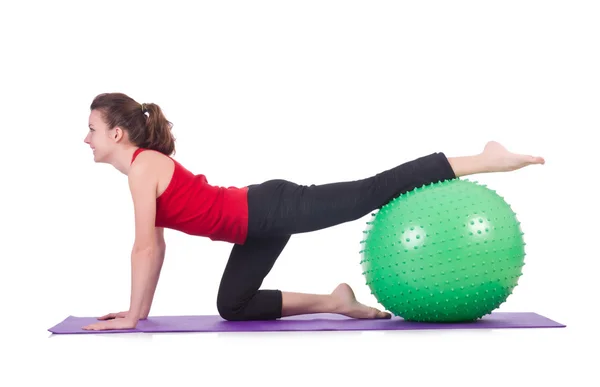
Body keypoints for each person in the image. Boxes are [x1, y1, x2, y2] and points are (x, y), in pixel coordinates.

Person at [81, 92, 545, 331]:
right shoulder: (142, 170)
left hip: (269, 208)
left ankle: (486, 158)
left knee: (371, 191)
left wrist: (132, 317)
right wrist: (136, 314)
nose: (87, 139)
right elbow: (155, 246)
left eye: (92, 129)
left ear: (118, 135)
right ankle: (334, 302)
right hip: (251, 226)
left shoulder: (145, 167)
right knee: (233, 306)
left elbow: (144, 247)